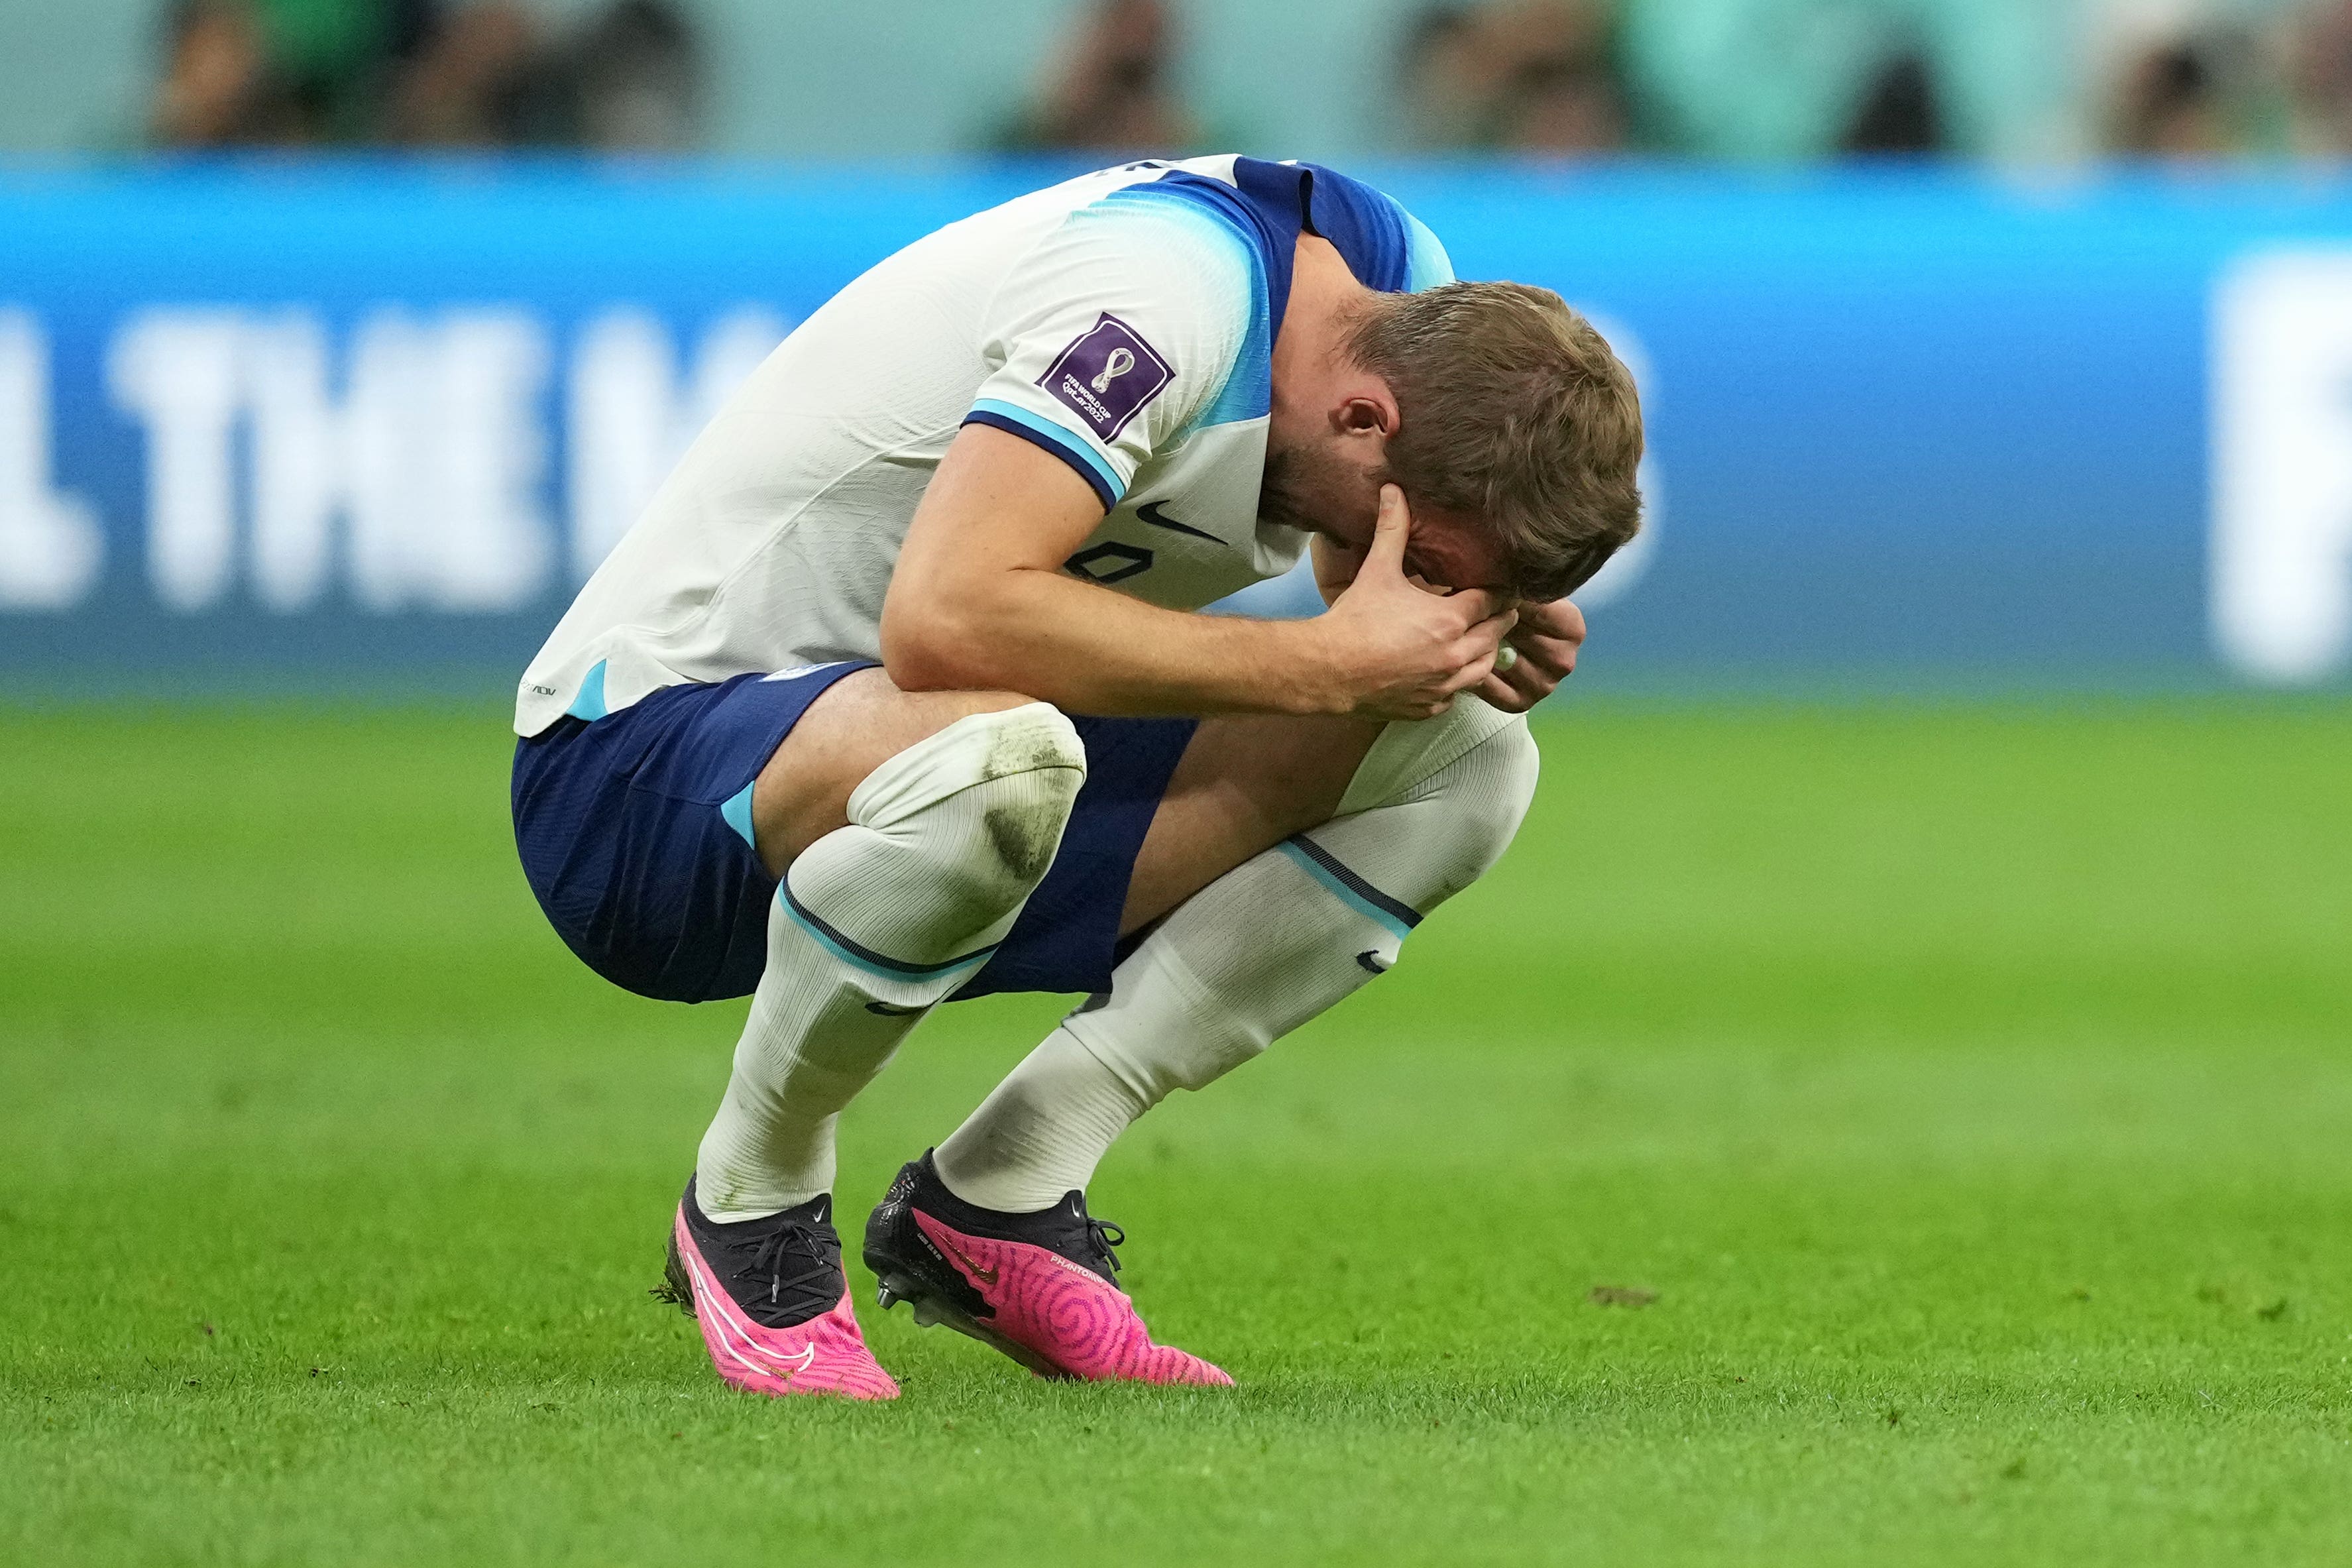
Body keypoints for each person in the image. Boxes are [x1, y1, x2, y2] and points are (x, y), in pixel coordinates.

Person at [510, 155, 1644, 1399]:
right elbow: (943, 619)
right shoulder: (1164, 297)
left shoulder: (1393, 304)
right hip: (641, 781)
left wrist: (1442, 624)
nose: (1414, 575)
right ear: (1366, 419)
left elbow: (1336, 568)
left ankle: (999, 1192)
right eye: (1422, 552)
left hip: (937, 783)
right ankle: (753, 1198)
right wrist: (1328, 661)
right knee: (1001, 753)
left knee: (1467, 759)